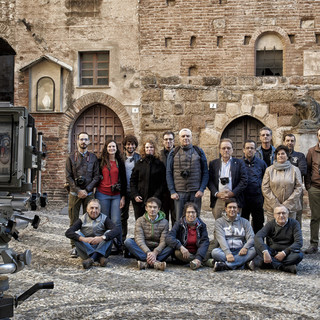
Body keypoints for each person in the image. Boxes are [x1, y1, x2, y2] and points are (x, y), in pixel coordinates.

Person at [65, 132, 100, 258]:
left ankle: (90, 245)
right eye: (81, 139)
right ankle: (74, 246)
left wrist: (87, 189)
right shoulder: (70, 158)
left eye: (86, 139)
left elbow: (97, 176)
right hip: (75, 193)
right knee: (74, 220)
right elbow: (68, 177)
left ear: (89, 142)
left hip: (89, 193)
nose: (83, 142)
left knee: (91, 220)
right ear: (77, 141)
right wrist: (78, 190)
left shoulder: (93, 158)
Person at [166, 128, 209, 221]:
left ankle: (195, 236)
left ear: (191, 137)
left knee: (195, 219)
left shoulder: (199, 151)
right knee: (180, 219)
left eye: (188, 136)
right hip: (179, 193)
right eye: (183, 136)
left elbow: (205, 172)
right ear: (179, 138)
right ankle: (180, 236)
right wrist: (172, 191)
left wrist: (201, 189)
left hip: (195, 192)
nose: (185, 138)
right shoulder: (173, 152)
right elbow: (168, 172)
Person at [65, 199, 120, 269]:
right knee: (77, 234)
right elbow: (68, 232)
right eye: (91, 208)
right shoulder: (82, 219)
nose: (94, 211)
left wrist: (101, 238)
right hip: (86, 251)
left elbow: (117, 230)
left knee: (109, 233)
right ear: (87, 209)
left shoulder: (105, 218)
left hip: (102, 249)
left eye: (96, 208)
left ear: (99, 210)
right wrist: (83, 239)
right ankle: (99, 257)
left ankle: (92, 259)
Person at [124, 197, 172, 271]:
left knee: (172, 245)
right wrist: (148, 252)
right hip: (144, 248)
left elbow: (163, 241)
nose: (152, 209)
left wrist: (155, 253)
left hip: (158, 248)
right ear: (146, 208)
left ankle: (145, 263)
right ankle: (155, 263)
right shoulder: (140, 220)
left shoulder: (164, 222)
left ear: (158, 209)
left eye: (155, 207)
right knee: (128, 242)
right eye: (150, 207)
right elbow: (139, 239)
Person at [95, 139, 126, 249]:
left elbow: (123, 179)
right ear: (106, 148)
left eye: (113, 147)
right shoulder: (101, 162)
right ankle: (105, 244)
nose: (111, 149)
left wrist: (123, 197)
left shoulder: (120, 162)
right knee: (104, 220)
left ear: (116, 149)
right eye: (109, 147)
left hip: (116, 195)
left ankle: (118, 244)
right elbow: (96, 176)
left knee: (116, 221)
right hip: (102, 194)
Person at [254, 205, 303, 274]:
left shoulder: (294, 224)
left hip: (288, 253)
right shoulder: (270, 224)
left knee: (299, 256)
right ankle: (283, 267)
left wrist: (284, 252)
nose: (281, 215)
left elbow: (299, 242)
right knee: (257, 246)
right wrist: (265, 251)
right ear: (274, 215)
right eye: (278, 213)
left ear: (288, 214)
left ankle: (269, 263)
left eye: (284, 213)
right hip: (273, 252)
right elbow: (258, 236)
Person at [211, 199, 256, 272]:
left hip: (240, 251)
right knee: (214, 252)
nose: (232, 209)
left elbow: (251, 237)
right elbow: (221, 238)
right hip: (224, 251)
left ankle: (225, 265)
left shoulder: (245, 222)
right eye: (230, 207)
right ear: (226, 209)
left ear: (238, 209)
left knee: (254, 250)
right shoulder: (219, 222)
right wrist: (228, 253)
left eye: (234, 207)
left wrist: (245, 247)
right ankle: (242, 264)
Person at [208, 138, 247, 220]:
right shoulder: (213, 164)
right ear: (219, 150)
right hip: (218, 199)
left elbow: (244, 181)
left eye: (228, 148)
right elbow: (209, 181)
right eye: (223, 148)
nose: (226, 150)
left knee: (235, 225)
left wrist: (232, 193)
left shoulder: (239, 163)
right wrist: (216, 193)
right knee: (219, 224)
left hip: (234, 198)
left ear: (232, 150)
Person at [262, 145, 303, 221]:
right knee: (273, 230)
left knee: (289, 230)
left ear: (287, 156)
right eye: (278, 154)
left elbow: (299, 187)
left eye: (283, 153)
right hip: (272, 208)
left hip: (290, 208)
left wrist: (286, 205)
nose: (280, 156)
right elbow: (265, 188)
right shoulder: (269, 170)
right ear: (276, 156)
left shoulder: (295, 170)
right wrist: (276, 205)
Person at [166, 202, 209, 270]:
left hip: (197, 251)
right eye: (188, 212)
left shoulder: (202, 225)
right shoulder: (179, 224)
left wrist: (198, 257)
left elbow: (204, 241)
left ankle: (197, 261)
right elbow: (169, 237)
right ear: (185, 214)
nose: (191, 214)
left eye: (193, 212)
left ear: (196, 213)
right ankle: (205, 261)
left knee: (212, 244)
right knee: (177, 253)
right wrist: (180, 247)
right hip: (185, 253)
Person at [130, 139, 166, 219]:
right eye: (147, 147)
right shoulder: (139, 163)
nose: (149, 149)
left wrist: (156, 197)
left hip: (155, 199)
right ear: (144, 149)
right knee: (140, 222)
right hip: (140, 199)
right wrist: (135, 194)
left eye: (151, 147)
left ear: (154, 149)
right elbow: (133, 181)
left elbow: (163, 183)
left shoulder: (159, 164)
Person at [241, 139, 267, 233]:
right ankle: (244, 243)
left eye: (252, 148)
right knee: (243, 222)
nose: (250, 150)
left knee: (258, 222)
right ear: (243, 150)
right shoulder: (238, 163)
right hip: (243, 198)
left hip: (257, 198)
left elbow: (266, 180)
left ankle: (257, 243)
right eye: (247, 148)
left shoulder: (261, 163)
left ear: (255, 150)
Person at [283, 133, 307, 227]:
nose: (290, 143)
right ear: (284, 142)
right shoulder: (279, 155)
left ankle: (297, 238)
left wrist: (287, 176)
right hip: (282, 190)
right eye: (288, 140)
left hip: (296, 190)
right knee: (283, 213)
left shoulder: (300, 156)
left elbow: (302, 171)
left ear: (295, 142)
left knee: (297, 215)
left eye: (292, 141)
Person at [121, 134, 141, 242]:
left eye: (132, 144)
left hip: (135, 191)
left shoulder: (139, 158)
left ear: (135, 146)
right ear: (125, 145)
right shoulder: (120, 158)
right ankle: (122, 239)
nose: (130, 146)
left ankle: (139, 240)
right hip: (124, 192)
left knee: (138, 217)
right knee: (123, 217)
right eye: (128, 144)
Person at [304, 128, 320, 254]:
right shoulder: (311, 151)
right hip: (315, 188)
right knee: (315, 217)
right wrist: (308, 186)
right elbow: (307, 170)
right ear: (317, 136)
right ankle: (314, 243)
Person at [159, 131, 176, 226]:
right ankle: (164, 238)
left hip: (175, 189)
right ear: (163, 141)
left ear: (174, 141)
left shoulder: (178, 153)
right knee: (163, 217)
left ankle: (174, 238)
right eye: (166, 139)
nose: (168, 141)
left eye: (170, 139)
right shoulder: (159, 155)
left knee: (175, 216)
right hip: (163, 191)